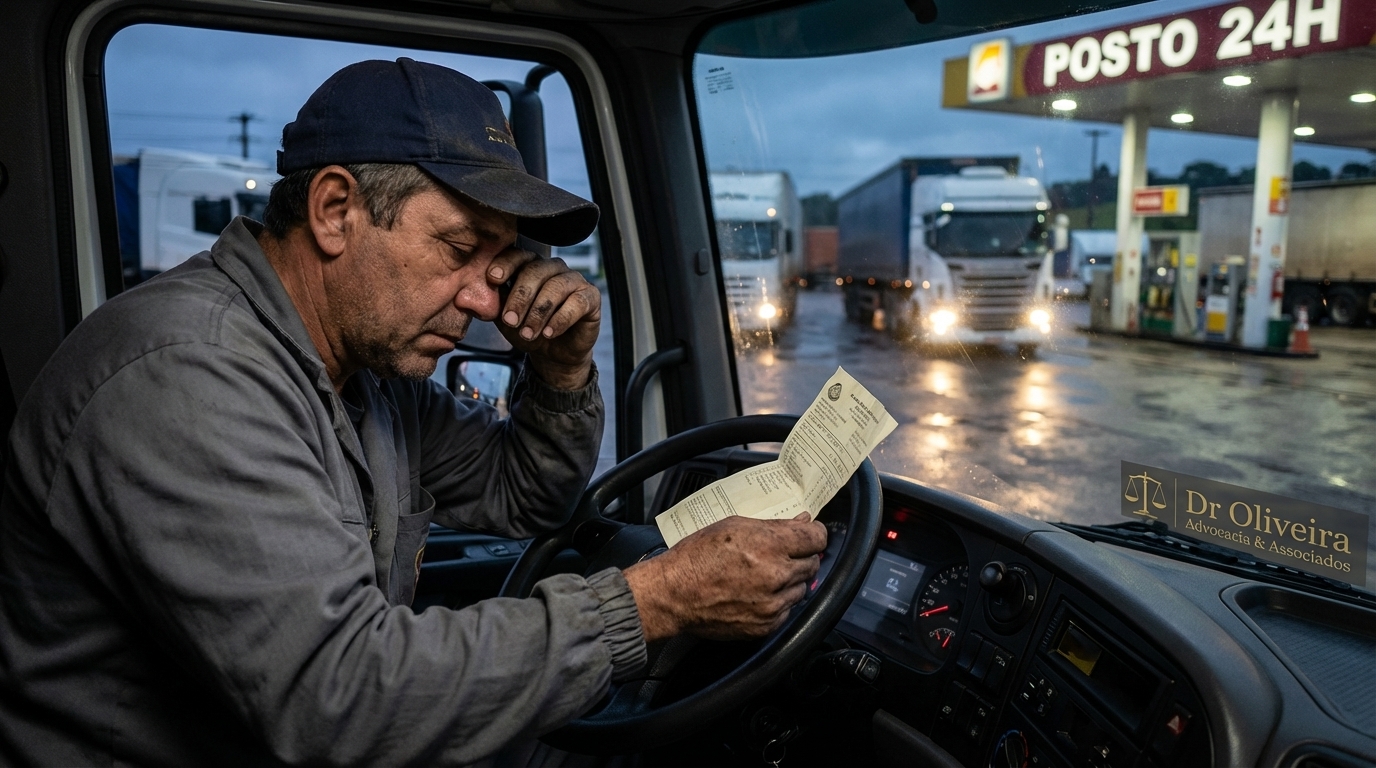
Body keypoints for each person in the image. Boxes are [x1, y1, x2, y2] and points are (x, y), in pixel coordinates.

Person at [0, 59, 827, 766]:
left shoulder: (363, 375)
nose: (480, 299)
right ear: (334, 212)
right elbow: (339, 698)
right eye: (461, 250)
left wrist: (563, 371)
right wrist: (657, 601)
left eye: (501, 263)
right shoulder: (189, 374)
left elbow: (522, 499)